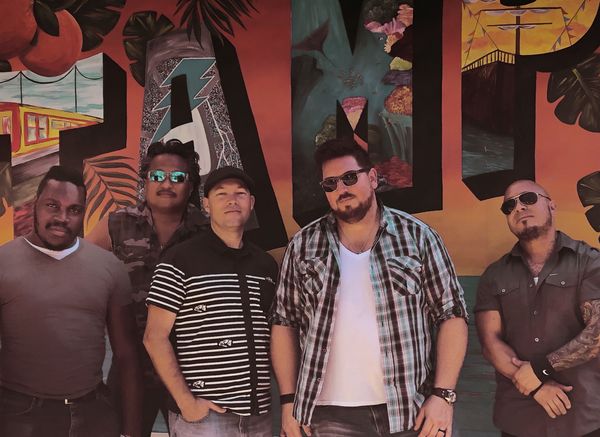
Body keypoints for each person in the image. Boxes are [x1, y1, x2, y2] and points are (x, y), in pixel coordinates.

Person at [271, 137, 468, 437]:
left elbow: (452, 315)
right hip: (328, 414)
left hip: (409, 410)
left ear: (373, 178)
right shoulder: (303, 245)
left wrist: (443, 395)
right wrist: (288, 402)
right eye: (330, 184)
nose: (341, 188)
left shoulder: (418, 237)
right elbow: (284, 322)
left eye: (350, 177)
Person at [0, 165, 142, 437]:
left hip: (92, 413)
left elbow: (127, 354)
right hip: (19, 414)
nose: (62, 218)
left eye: (74, 210)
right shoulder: (4, 262)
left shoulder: (109, 267)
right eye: (52, 206)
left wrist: (132, 431)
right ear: (35, 204)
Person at [143, 166, 278, 436]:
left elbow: (276, 335)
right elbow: (154, 337)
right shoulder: (179, 259)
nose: (232, 200)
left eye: (240, 194)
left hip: (258, 416)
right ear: (206, 205)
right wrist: (187, 403)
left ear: (251, 203)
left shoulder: (265, 265)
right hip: (205, 419)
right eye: (221, 194)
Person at [87, 139, 207, 436]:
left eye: (177, 177)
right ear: (145, 181)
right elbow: (80, 272)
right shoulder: (117, 224)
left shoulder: (207, 232)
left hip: (190, 372)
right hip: (131, 367)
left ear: (191, 186)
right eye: (158, 175)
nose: (166, 184)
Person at [475, 179, 600, 437]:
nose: (519, 207)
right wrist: (536, 387)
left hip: (581, 418)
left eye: (528, 198)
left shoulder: (589, 262)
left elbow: (597, 333)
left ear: (551, 205)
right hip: (519, 419)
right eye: (509, 206)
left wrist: (541, 369)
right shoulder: (494, 275)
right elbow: (490, 342)